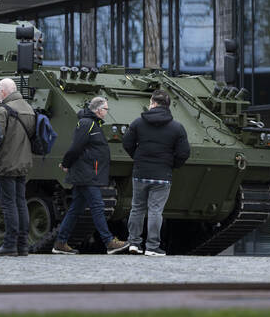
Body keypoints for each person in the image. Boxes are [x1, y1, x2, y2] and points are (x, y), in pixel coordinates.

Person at [53, 97, 129, 255]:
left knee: (75, 209)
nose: (107, 112)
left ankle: (60, 242)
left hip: (87, 172)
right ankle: (109, 241)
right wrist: (66, 164)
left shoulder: (93, 124)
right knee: (98, 206)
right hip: (86, 173)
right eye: (106, 109)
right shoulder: (87, 124)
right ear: (99, 110)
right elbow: (76, 147)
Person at [123, 89, 190, 257]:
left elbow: (127, 143)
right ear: (168, 106)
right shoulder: (177, 127)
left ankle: (133, 243)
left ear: (152, 103)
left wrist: (137, 158)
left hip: (140, 173)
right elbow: (184, 153)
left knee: (137, 208)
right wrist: (170, 165)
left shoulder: (138, 122)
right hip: (162, 176)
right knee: (155, 211)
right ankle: (152, 247)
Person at [0, 77, 34, 257]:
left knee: (8, 204)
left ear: (3, 92)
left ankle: (10, 244)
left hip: (6, 163)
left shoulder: (3, 110)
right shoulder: (29, 109)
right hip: (23, 162)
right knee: (21, 202)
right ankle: (23, 244)